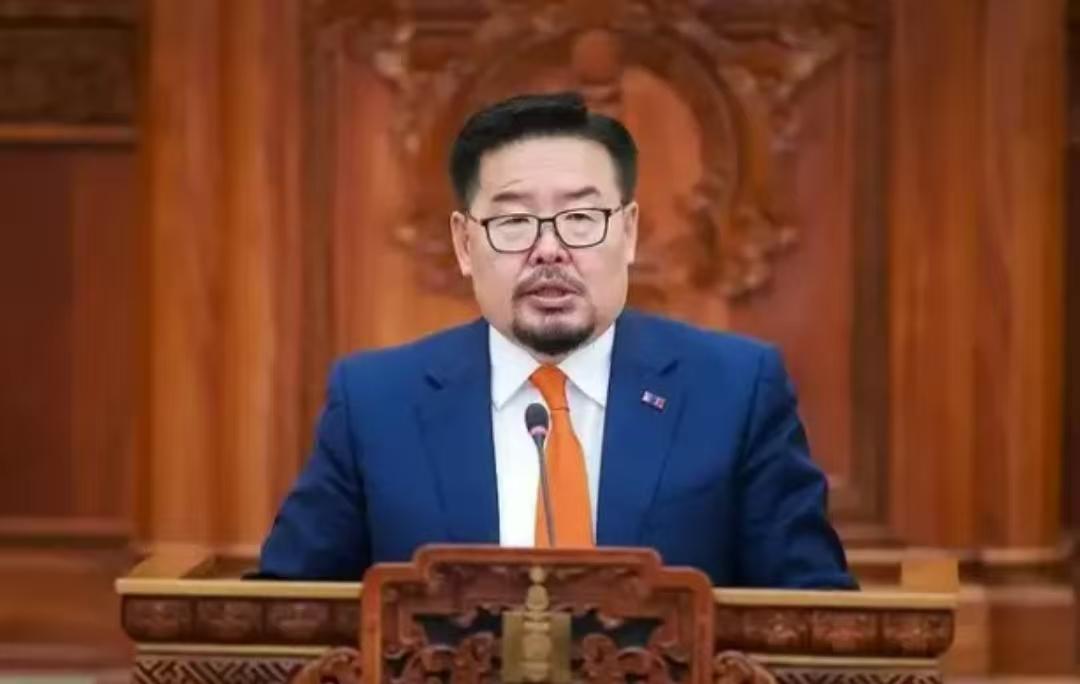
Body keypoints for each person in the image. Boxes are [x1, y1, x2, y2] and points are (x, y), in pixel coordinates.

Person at [258, 91, 855, 588]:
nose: (549, 249)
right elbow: (285, 617)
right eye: (514, 221)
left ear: (628, 233)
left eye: (580, 218)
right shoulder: (375, 402)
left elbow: (813, 620)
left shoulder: (734, 391)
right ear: (465, 244)